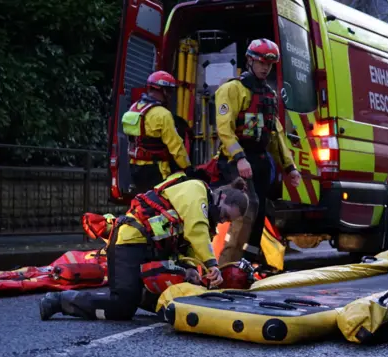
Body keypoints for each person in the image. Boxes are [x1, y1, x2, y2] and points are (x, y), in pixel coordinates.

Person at [39, 172, 249, 321]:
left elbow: (188, 248)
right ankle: (59, 301)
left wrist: (192, 269)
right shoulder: (196, 191)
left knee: (171, 302)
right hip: (129, 242)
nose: (221, 221)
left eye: (225, 221)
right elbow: (196, 231)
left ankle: (139, 293)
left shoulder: (204, 213)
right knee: (122, 307)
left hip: (150, 249)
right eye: (224, 215)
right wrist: (211, 264)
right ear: (220, 197)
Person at [213, 38, 301, 264]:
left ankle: (248, 265)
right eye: (261, 62)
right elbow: (225, 129)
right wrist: (240, 158)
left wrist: (290, 167)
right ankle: (225, 266)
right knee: (246, 209)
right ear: (250, 61)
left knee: (260, 213)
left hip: (259, 162)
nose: (265, 68)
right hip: (237, 161)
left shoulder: (268, 95)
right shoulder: (232, 90)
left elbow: (276, 135)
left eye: (269, 64)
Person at [123, 71, 194, 193]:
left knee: (143, 202)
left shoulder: (134, 108)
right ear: (163, 90)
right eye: (170, 91)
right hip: (156, 169)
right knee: (160, 202)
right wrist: (187, 167)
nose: (171, 95)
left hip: (135, 167)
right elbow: (176, 146)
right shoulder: (163, 114)